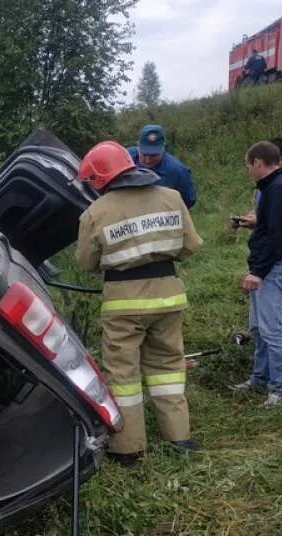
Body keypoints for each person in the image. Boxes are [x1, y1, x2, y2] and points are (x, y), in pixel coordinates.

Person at [76, 141, 204, 465]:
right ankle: (179, 437)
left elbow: (87, 263)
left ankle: (129, 448)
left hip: (123, 305)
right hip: (169, 296)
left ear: (100, 178)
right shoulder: (172, 198)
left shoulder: (95, 213)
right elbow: (190, 246)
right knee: (168, 370)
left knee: (124, 377)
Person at [230, 141, 282, 407]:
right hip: (265, 267)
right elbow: (269, 228)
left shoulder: (280, 189)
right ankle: (259, 379)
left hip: (274, 270)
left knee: (272, 331)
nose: (248, 170)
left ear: (259, 163)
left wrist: (258, 272)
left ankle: (280, 391)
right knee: (258, 329)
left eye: (249, 166)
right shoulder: (274, 187)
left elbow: (278, 236)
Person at [128, 124, 198, 210]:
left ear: (163, 147)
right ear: (138, 146)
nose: (148, 160)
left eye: (154, 155)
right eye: (144, 154)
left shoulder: (177, 171)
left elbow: (189, 200)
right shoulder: (125, 159)